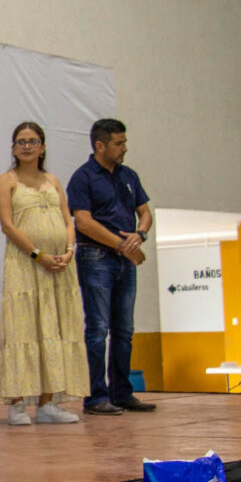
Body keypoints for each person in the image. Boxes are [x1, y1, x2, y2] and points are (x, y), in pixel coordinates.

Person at [0, 122, 89, 425]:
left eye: (33, 141)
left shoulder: (53, 180)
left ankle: (48, 402)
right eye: (20, 141)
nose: (26, 146)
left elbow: (68, 220)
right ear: (13, 148)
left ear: (43, 146)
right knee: (24, 328)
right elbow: (8, 226)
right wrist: (38, 255)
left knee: (54, 329)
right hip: (25, 264)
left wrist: (69, 251)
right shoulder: (6, 180)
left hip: (60, 266)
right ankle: (18, 403)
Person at [66, 118, 154, 415]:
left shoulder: (129, 175)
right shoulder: (83, 177)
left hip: (125, 260)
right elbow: (84, 221)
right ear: (100, 145)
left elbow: (144, 213)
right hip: (96, 258)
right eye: (118, 143)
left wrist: (139, 235)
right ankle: (95, 396)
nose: (124, 148)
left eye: (124, 142)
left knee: (124, 329)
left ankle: (121, 393)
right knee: (98, 328)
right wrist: (122, 245)